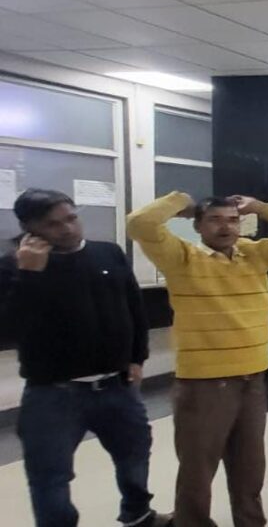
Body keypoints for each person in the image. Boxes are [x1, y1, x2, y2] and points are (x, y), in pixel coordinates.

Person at [127, 191, 268, 527]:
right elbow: (139, 224)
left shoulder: (254, 254)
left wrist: (260, 207)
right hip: (204, 383)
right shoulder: (181, 257)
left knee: (250, 465)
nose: (226, 227)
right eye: (214, 220)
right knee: (198, 469)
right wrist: (181, 202)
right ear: (198, 225)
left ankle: (251, 522)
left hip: (253, 378)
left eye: (233, 220)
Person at [0, 189, 171, 527]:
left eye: (71, 218)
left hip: (117, 386)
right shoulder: (12, 265)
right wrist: (30, 274)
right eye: (53, 224)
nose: (67, 229)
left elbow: (134, 308)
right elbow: (8, 329)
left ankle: (138, 515)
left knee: (135, 456)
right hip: (53, 394)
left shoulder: (108, 253)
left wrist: (137, 357)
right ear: (29, 228)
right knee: (50, 475)